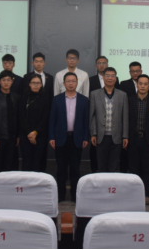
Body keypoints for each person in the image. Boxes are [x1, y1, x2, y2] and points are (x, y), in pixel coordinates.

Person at [49, 72, 89, 203]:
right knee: (60, 169)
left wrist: (85, 138)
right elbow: (52, 120)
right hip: (60, 138)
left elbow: (86, 121)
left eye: (73, 81)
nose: (71, 83)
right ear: (64, 83)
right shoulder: (57, 99)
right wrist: (51, 137)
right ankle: (60, 196)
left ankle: (74, 196)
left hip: (76, 139)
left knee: (75, 170)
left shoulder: (84, 100)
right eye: (68, 81)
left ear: (77, 83)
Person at [127, 74, 149, 204]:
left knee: (147, 169)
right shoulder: (130, 100)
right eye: (140, 83)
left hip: (148, 140)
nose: (142, 86)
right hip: (133, 139)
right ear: (137, 85)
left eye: (145, 84)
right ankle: (134, 194)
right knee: (133, 168)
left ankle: (146, 194)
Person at [89, 67, 128, 172]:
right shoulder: (94, 94)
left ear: (116, 78)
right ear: (103, 77)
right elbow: (92, 116)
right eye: (107, 75)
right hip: (100, 136)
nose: (110, 78)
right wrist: (93, 134)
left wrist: (125, 136)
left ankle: (112, 183)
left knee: (114, 166)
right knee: (101, 166)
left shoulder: (122, 95)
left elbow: (125, 116)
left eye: (112, 76)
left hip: (117, 136)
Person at [0, 70, 20, 175]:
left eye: (8, 80)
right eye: (3, 80)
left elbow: (18, 118)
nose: (6, 82)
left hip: (12, 138)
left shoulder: (16, 97)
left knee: (10, 165)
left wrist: (17, 136)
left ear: (12, 82)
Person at [19, 74, 51, 172]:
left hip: (40, 135)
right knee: (26, 161)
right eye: (33, 83)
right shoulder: (23, 98)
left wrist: (35, 132)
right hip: (25, 135)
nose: (36, 85)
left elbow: (45, 118)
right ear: (29, 84)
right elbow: (21, 117)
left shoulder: (45, 98)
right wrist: (29, 133)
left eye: (38, 83)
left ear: (41, 84)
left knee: (38, 161)